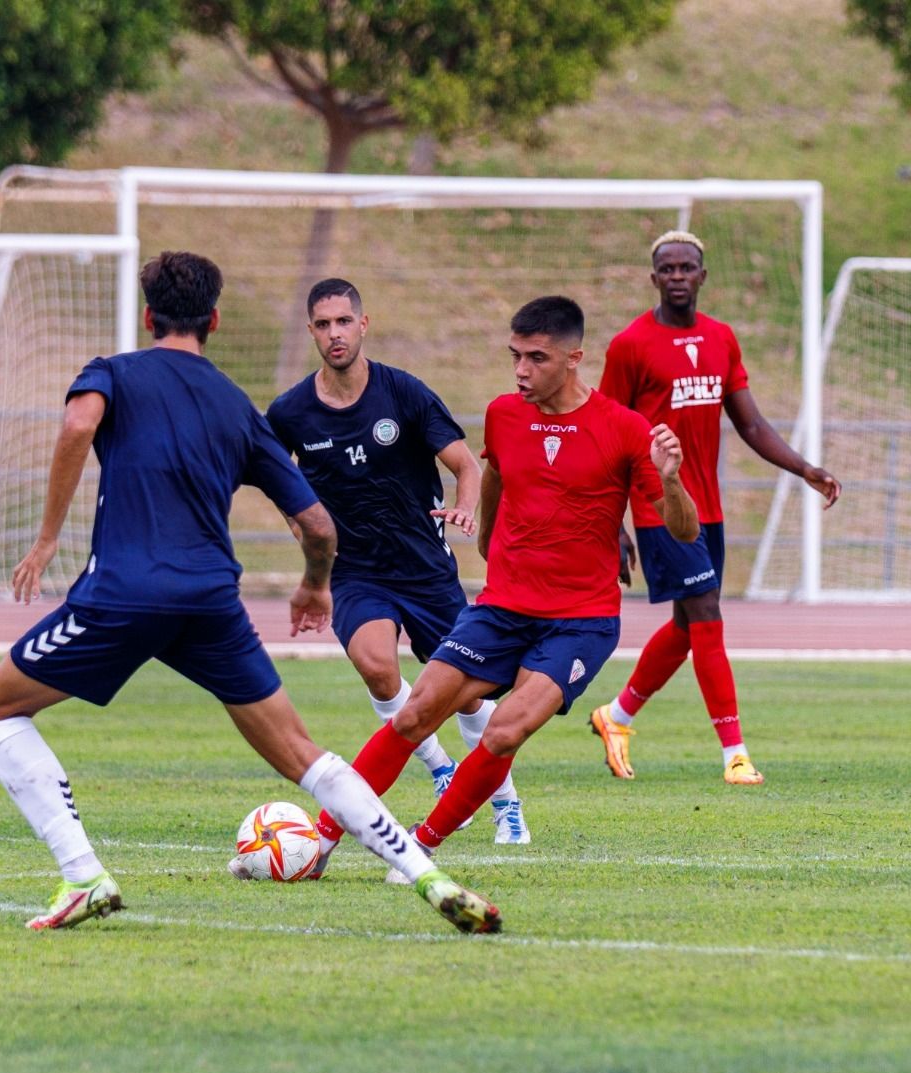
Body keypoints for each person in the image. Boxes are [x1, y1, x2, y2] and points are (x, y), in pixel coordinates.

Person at [0, 251, 500, 933]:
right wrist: (312, 584)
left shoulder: (114, 373)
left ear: (148, 315)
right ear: (215, 320)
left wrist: (45, 541)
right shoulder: (237, 406)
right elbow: (315, 521)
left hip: (122, 595)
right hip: (213, 603)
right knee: (303, 754)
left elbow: (76, 426)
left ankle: (83, 875)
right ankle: (428, 875)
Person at [310, 296, 697, 864]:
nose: (521, 370)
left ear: (574, 359)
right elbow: (493, 478)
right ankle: (317, 841)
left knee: (503, 731)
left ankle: (421, 845)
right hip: (501, 609)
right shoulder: (504, 414)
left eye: (536, 358)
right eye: (515, 356)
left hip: (580, 621)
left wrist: (674, 479)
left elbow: (682, 531)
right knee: (415, 714)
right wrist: (491, 546)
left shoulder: (624, 428)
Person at [264, 279, 530, 861]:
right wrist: (305, 535)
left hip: (425, 568)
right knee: (378, 666)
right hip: (355, 571)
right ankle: (439, 769)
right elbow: (278, 483)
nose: (335, 333)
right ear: (312, 331)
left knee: (462, 696)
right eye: (323, 324)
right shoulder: (289, 413)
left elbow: (464, 462)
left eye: (344, 322)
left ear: (364, 325)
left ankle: (505, 801)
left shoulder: (403, 393)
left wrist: (465, 504)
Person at [590, 231, 841, 785]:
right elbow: (606, 436)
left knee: (687, 623)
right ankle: (735, 753)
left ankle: (616, 716)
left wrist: (804, 468)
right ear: (653, 279)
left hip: (708, 507)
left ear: (703, 277)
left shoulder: (721, 339)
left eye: (687, 268)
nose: (677, 276)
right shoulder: (631, 345)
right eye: (667, 268)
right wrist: (613, 524)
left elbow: (749, 422)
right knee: (706, 616)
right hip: (658, 504)